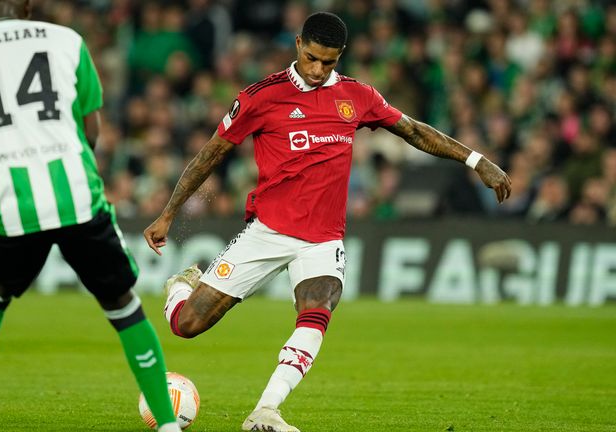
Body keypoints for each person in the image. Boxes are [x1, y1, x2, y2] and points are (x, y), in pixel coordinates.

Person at [144, 12, 512, 432]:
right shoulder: (261, 97)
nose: (319, 70)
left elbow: (412, 130)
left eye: (329, 62)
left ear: (341, 57)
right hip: (267, 231)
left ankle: (265, 411)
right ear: (298, 44)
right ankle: (179, 285)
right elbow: (210, 154)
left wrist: (476, 160)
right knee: (187, 326)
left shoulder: (357, 96)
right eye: (313, 58)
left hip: (322, 238)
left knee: (318, 308)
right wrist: (169, 214)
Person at [0, 1, 180, 431]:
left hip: (10, 203)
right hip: (76, 197)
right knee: (122, 304)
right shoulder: (67, 42)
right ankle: (169, 425)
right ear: (28, 6)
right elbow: (92, 130)